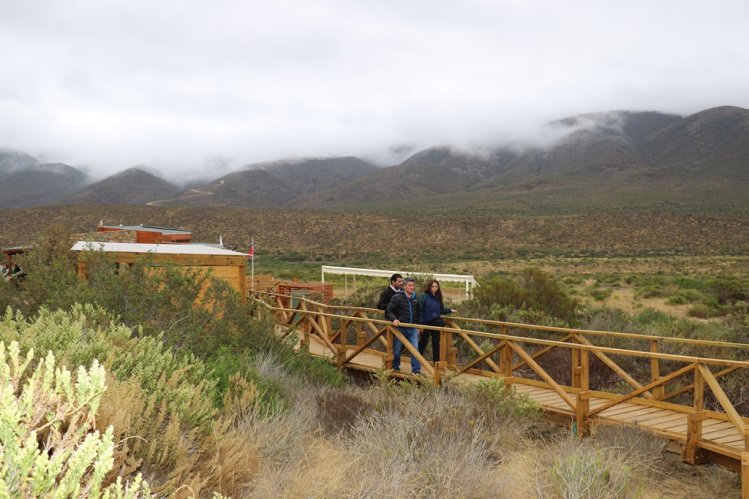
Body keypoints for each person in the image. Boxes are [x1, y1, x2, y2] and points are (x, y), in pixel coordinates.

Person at [386, 277, 422, 374]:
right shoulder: (397, 297)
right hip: (400, 328)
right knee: (397, 349)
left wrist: (419, 325)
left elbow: (419, 313)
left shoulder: (416, 297)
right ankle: (395, 366)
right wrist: (394, 319)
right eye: (409, 285)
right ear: (404, 286)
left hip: (412, 328)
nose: (412, 287)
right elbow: (388, 311)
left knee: (415, 348)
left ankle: (416, 370)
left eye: (413, 285)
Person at [418, 280, 456, 363]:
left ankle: (436, 364)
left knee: (436, 344)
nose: (434, 288)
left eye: (436, 287)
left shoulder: (438, 297)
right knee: (423, 343)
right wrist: (420, 324)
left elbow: (441, 310)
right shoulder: (424, 296)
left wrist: (449, 310)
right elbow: (419, 310)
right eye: (433, 286)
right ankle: (416, 360)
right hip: (425, 323)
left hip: (435, 323)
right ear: (429, 287)